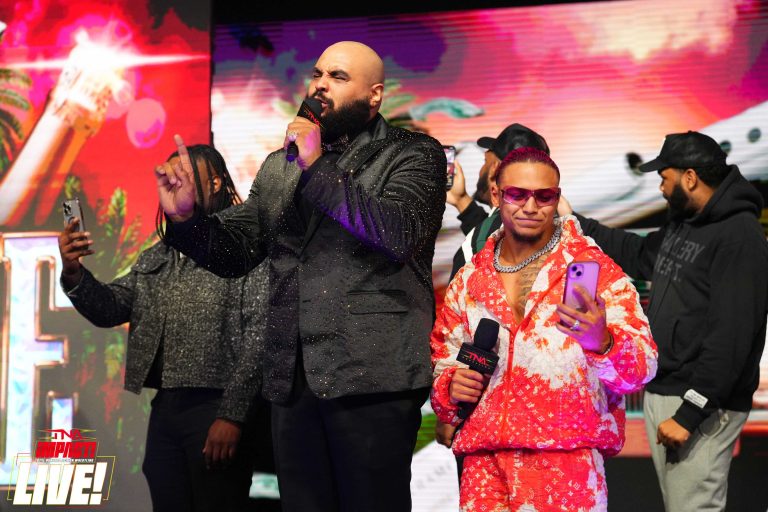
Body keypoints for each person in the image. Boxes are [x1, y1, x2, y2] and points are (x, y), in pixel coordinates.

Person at [154, 41, 446, 512]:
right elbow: (237, 252)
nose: (321, 85)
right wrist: (187, 219)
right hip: (292, 382)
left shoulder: (413, 153)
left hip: (372, 378)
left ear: (374, 94)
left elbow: (397, 233)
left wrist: (317, 166)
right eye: (317, 74)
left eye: (338, 76)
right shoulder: (280, 165)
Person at [431, 147, 657, 511]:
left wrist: (604, 343)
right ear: (497, 195)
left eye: (544, 196)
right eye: (517, 194)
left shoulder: (594, 271)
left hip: (566, 466)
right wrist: (450, 387)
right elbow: (444, 361)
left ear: (557, 197)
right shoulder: (470, 278)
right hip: (484, 468)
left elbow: (641, 370)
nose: (531, 206)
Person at [558, 131, 768, 511]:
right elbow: (639, 254)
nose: (660, 188)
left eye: (664, 178)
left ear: (690, 178)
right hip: (669, 392)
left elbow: (732, 339)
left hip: (700, 404)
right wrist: (575, 222)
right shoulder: (686, 223)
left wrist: (690, 413)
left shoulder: (740, 237)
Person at [58, 144, 268, 512]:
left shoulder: (243, 246)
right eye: (168, 176)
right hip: (167, 409)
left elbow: (259, 337)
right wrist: (74, 272)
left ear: (215, 182)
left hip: (217, 403)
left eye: (183, 174)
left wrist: (232, 415)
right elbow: (109, 307)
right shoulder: (159, 255)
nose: (174, 182)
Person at [446, 123, 550, 281]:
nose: (481, 169)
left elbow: (486, 238)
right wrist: (461, 200)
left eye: (485, 161)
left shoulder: (473, 253)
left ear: (494, 170)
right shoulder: (564, 234)